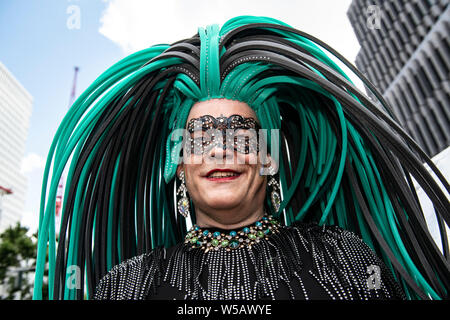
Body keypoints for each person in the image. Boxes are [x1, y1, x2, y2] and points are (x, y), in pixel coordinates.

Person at [33, 16, 450, 300]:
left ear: (268, 159)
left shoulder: (343, 256)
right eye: (199, 137)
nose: (220, 148)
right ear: (178, 163)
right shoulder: (127, 286)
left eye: (241, 134)